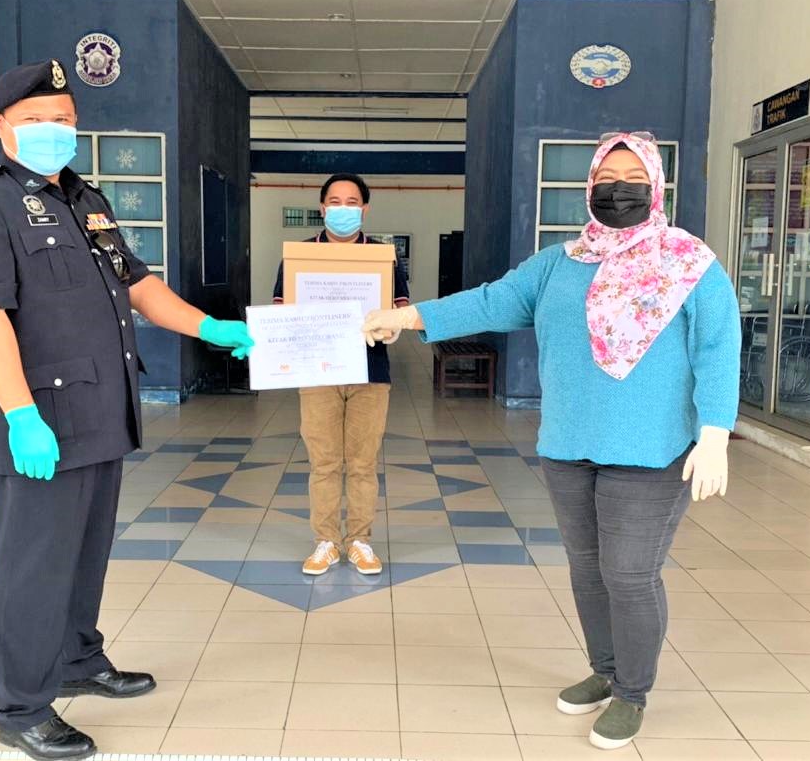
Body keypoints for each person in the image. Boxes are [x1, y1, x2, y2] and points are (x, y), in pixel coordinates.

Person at [363, 132, 741, 750]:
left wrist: (716, 432)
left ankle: (632, 693)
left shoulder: (689, 262)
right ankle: (605, 669)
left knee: (629, 573)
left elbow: (718, 348)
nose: (619, 189)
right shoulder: (559, 263)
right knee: (587, 570)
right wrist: (407, 317)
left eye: (633, 178)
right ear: (589, 186)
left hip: (651, 451)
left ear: (656, 186)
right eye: (607, 177)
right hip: (569, 446)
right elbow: (493, 301)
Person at [0, 59, 253, 761]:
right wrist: (20, 416)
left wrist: (210, 326)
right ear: (0, 126)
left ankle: (78, 659)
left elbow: (139, 286)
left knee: (84, 553)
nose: (52, 131)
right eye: (36, 120)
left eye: (63, 120)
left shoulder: (86, 199)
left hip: (103, 412)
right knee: (32, 565)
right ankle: (22, 706)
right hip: (41, 420)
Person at [272, 173, 410, 576]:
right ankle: (327, 542)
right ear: (322, 208)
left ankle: (360, 540)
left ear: (364, 210)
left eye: (352, 202)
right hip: (318, 371)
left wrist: (392, 326)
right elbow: (282, 308)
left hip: (371, 370)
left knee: (363, 463)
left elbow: (401, 308)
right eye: (335, 202)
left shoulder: (383, 256)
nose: (343, 209)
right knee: (324, 462)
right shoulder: (299, 256)